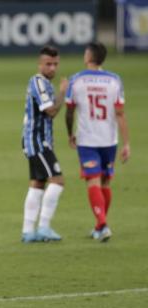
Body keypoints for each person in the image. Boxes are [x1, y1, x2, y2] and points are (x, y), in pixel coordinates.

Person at [65, 42, 131, 242]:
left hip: (87, 139)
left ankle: (102, 224)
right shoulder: (114, 80)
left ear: (88, 56)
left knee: (93, 181)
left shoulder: (76, 80)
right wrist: (126, 143)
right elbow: (120, 114)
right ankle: (100, 225)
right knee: (105, 181)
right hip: (109, 139)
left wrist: (70, 134)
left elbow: (69, 111)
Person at [21, 46, 69, 243]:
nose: (52, 68)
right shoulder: (38, 82)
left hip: (37, 141)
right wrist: (63, 93)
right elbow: (50, 110)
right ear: (40, 64)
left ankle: (27, 231)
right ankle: (44, 227)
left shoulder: (44, 83)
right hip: (38, 142)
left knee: (38, 184)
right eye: (48, 64)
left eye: (55, 64)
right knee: (57, 181)